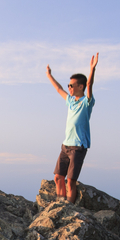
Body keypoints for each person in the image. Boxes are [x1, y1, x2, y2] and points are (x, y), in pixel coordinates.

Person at [46, 53, 98, 203]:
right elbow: (58, 89)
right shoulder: (70, 101)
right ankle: (61, 204)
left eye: (71, 85)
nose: (68, 87)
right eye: (68, 85)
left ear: (80, 87)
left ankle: (69, 208)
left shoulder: (86, 103)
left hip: (78, 146)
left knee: (70, 181)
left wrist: (92, 69)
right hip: (66, 145)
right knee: (58, 177)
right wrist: (49, 75)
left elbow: (90, 85)